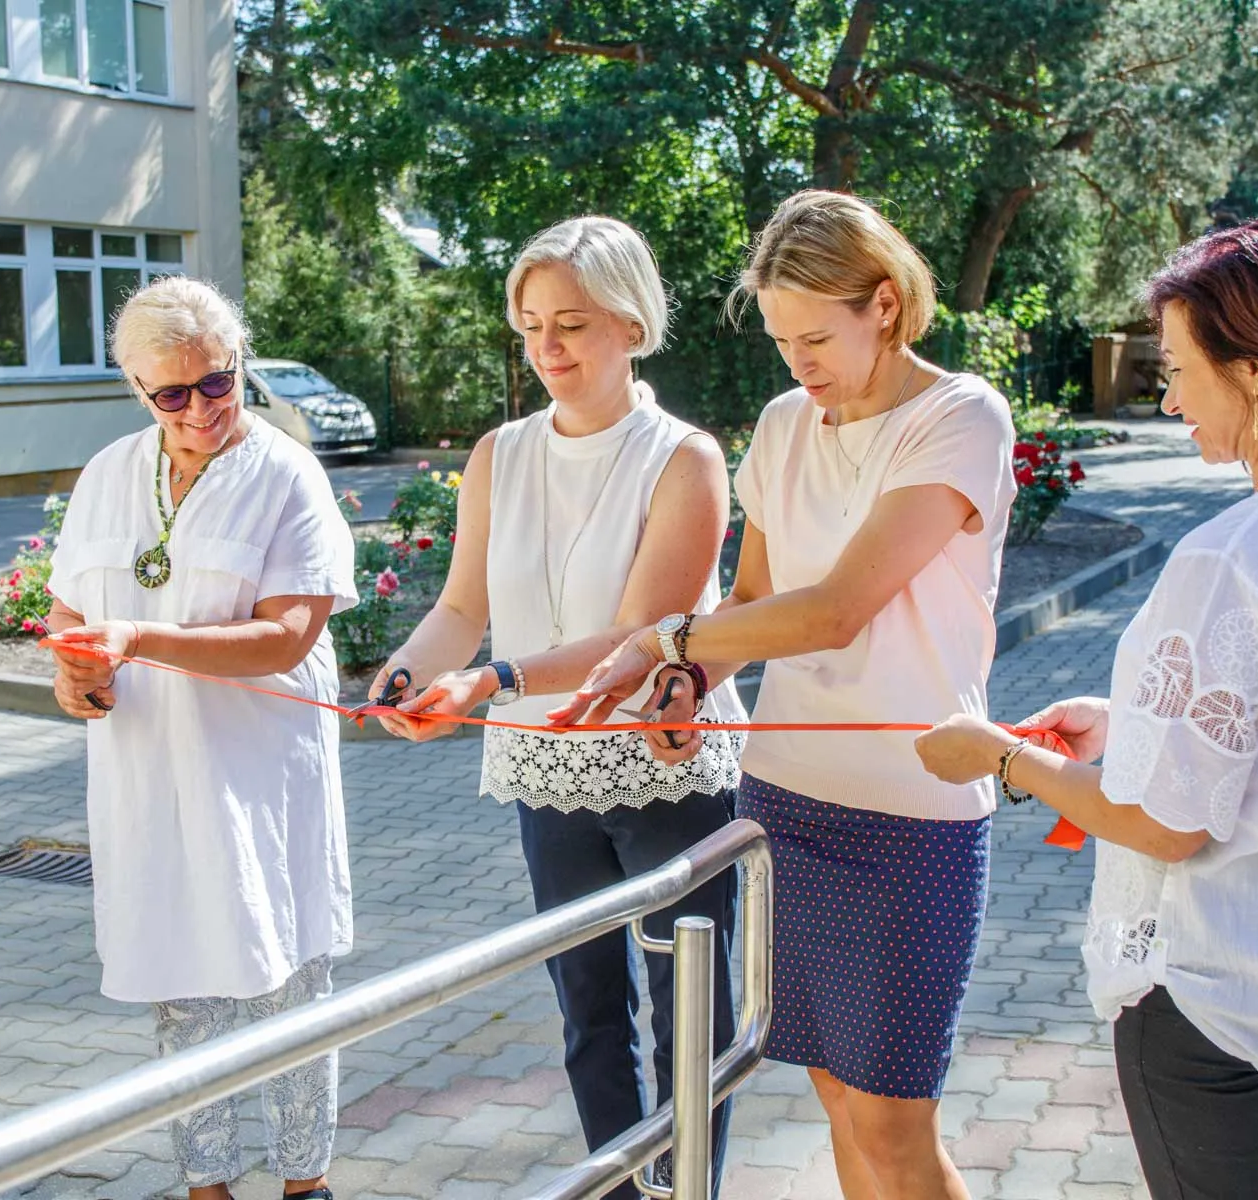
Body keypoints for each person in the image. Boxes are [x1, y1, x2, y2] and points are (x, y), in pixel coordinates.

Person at [915, 212, 1258, 1200]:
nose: (1168, 403)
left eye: (1176, 371)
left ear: (1252, 369)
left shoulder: (1236, 553)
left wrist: (1003, 759)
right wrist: (1130, 730)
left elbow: (1164, 826)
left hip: (1221, 1001)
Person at [553, 189, 1017, 1200]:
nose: (796, 362)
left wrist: (666, 638)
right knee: (840, 1103)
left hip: (912, 818)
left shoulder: (960, 416)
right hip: (789, 804)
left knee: (894, 1123)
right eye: (780, 339)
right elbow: (755, 599)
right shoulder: (784, 421)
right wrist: (689, 682)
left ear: (884, 304)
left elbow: (836, 610)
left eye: (815, 335)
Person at [371, 216, 744, 1198]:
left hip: (667, 770)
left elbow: (635, 638)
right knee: (586, 1009)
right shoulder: (499, 454)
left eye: (570, 323)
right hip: (548, 772)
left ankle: (688, 1189)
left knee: (689, 1013)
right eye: (530, 325)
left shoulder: (685, 458)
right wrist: (409, 672)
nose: (546, 348)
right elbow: (460, 607)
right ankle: (618, 1192)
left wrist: (489, 683)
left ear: (631, 321)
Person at [45, 276, 356, 1200]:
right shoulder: (107, 473)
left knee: (284, 981)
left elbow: (286, 635)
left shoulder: (285, 472)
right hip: (147, 772)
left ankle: (306, 1186)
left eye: (216, 383)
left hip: (259, 773)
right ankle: (205, 1187)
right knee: (180, 979)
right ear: (136, 390)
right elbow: (69, 605)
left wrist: (137, 639)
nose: (199, 410)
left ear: (240, 367)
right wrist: (78, 671)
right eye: (170, 394)